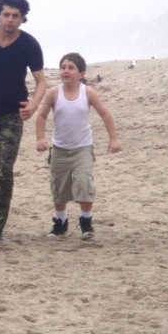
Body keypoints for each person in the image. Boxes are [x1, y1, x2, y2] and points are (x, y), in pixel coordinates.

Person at [0, 0, 46, 242]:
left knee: (4, 171)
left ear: (23, 18)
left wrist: (33, 105)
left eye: (16, 15)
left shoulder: (29, 44)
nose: (10, 19)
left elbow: (41, 81)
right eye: (6, 14)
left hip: (12, 116)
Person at [35, 52, 121, 239]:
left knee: (84, 183)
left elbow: (105, 114)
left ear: (81, 73)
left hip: (82, 148)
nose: (65, 71)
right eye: (63, 67)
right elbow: (41, 116)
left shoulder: (88, 92)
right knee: (59, 188)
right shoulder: (54, 93)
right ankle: (60, 222)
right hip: (59, 150)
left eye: (71, 68)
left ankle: (86, 221)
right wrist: (40, 138)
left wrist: (113, 139)